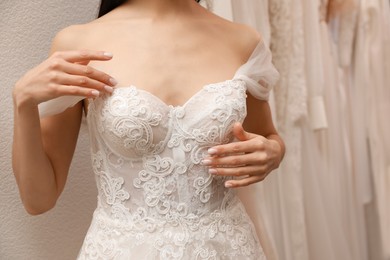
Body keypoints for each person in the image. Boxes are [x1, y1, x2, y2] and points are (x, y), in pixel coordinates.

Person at [12, 0, 285, 259]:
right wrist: (23, 103)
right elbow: (39, 200)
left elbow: (267, 136)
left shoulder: (243, 41)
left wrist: (274, 152)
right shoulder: (79, 45)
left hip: (227, 247)